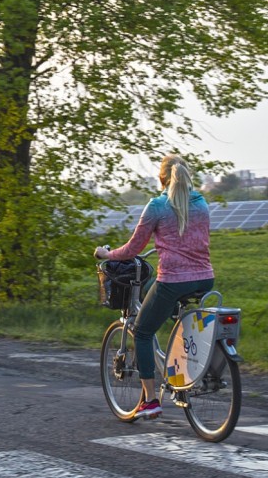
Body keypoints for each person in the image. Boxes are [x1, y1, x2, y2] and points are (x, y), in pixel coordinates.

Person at [94, 154, 214, 419]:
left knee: (143, 331)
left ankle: (150, 401)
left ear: (162, 179)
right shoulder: (202, 204)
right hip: (205, 279)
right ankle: (183, 371)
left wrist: (107, 254)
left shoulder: (157, 206)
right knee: (170, 314)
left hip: (173, 280)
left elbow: (133, 249)